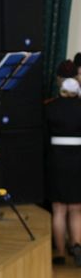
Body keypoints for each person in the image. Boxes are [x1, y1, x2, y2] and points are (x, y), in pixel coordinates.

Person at [45, 77, 81, 265]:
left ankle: (59, 253)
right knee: (76, 209)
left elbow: (44, 137)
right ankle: (76, 245)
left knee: (58, 209)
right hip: (78, 161)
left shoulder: (50, 107)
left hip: (56, 160)